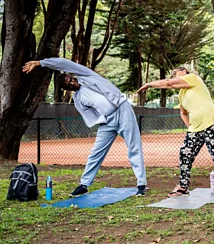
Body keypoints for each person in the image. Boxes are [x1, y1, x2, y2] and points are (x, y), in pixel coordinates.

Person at [23, 58, 147, 197]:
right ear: (67, 89)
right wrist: (102, 119)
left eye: (70, 79)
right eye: (68, 84)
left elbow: (64, 63)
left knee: (133, 147)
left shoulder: (86, 76)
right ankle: (84, 184)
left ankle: (141, 184)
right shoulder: (78, 99)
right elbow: (90, 114)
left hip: (122, 111)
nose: (72, 81)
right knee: (96, 153)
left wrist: (41, 63)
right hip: (107, 122)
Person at [136, 67, 214, 199]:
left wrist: (149, 84)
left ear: (184, 72)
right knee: (185, 154)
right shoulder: (181, 93)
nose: (174, 74)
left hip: (210, 122)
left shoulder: (193, 79)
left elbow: (169, 83)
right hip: (195, 128)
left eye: (176, 72)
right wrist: (190, 127)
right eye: (173, 73)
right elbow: (183, 113)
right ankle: (183, 186)